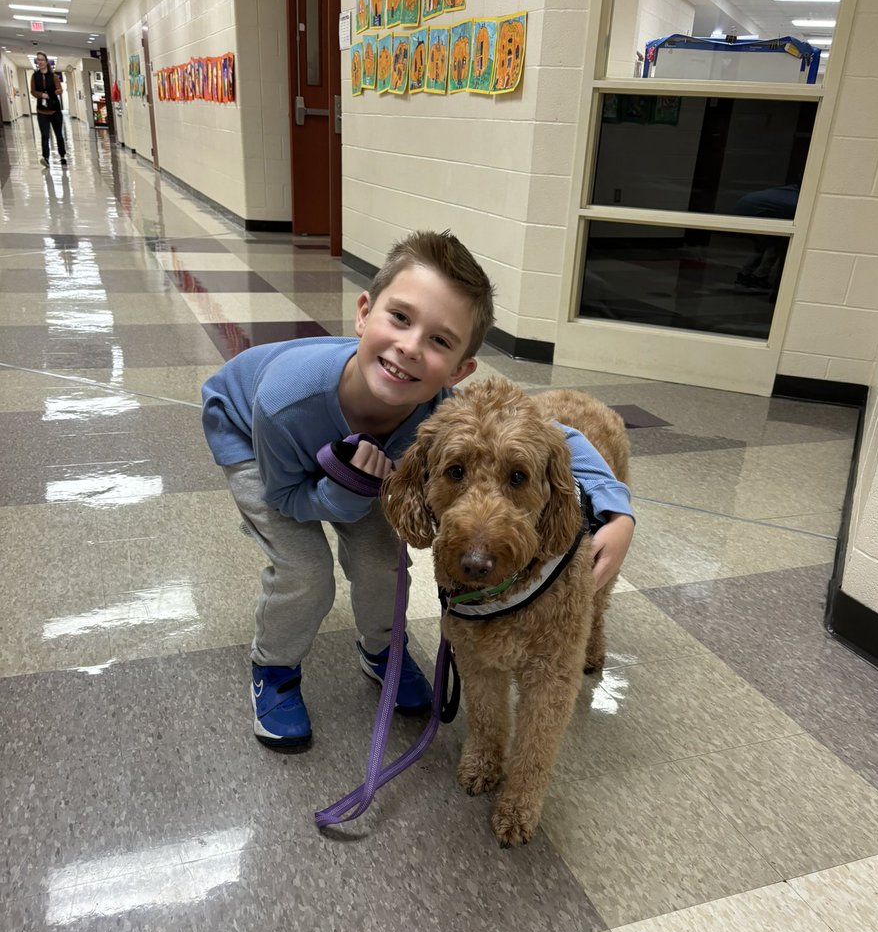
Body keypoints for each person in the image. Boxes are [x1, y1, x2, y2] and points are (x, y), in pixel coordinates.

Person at [201, 230, 635, 750]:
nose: (410, 348)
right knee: (306, 570)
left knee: (383, 561)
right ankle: (273, 668)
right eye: (400, 318)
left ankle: (382, 649)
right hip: (255, 438)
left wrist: (618, 510)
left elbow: (559, 437)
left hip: (360, 464)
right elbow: (286, 498)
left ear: (459, 370)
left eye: (440, 341)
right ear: (364, 312)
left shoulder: (440, 407)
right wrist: (345, 493)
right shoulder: (282, 402)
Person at [31, 52, 67, 168]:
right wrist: (41, 95)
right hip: (42, 111)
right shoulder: (35, 76)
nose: (40, 62)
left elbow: (60, 89)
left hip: (55, 110)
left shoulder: (54, 76)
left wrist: (54, 92)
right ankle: (46, 158)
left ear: (46, 62)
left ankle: (62, 155)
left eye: (42, 60)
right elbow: (33, 91)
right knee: (45, 135)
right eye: (38, 60)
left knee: (58, 134)